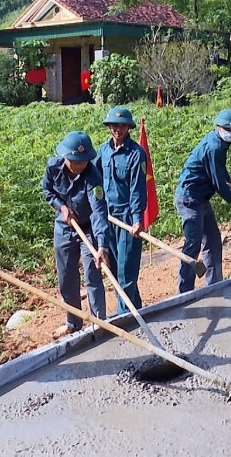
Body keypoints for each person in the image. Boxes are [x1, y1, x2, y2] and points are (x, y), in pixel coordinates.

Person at [42, 132, 111, 337]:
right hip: (64, 228)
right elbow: (47, 191)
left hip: (88, 228)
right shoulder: (53, 167)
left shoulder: (93, 176)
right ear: (65, 157)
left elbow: (99, 211)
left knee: (92, 273)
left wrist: (102, 247)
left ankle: (99, 323)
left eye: (83, 162)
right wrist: (60, 207)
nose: (79, 165)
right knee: (66, 276)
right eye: (74, 162)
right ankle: (73, 322)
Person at [175, 109, 231, 293]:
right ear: (219, 127)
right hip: (190, 198)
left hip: (201, 197)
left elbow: (221, 174)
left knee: (213, 240)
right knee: (193, 244)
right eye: (228, 129)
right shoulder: (214, 146)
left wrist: (230, 185)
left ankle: (214, 284)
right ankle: (184, 291)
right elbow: (218, 182)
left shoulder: (221, 143)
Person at [96, 106, 147, 314]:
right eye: (114, 125)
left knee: (127, 270)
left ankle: (124, 316)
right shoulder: (103, 151)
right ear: (109, 127)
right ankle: (135, 309)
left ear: (128, 128)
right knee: (115, 269)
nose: (117, 129)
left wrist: (136, 219)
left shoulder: (136, 154)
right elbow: (95, 180)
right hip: (108, 216)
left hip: (126, 219)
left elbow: (137, 190)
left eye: (122, 126)